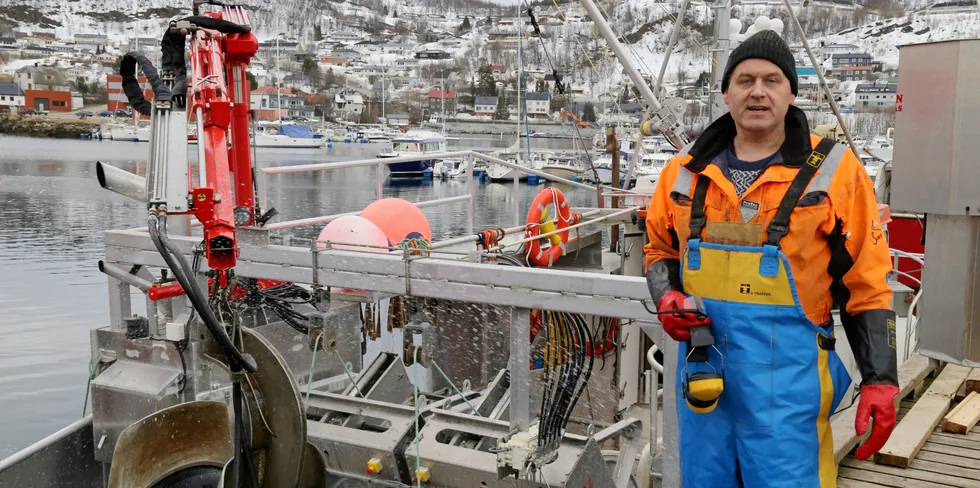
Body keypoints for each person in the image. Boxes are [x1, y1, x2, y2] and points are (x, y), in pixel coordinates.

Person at [643, 30, 898, 487]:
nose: (757, 91)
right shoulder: (683, 171)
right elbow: (660, 249)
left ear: (791, 92)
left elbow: (867, 282)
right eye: (745, 80)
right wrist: (666, 297)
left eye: (772, 79)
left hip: (789, 395)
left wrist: (879, 380)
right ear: (726, 93)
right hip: (705, 384)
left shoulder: (836, 171)